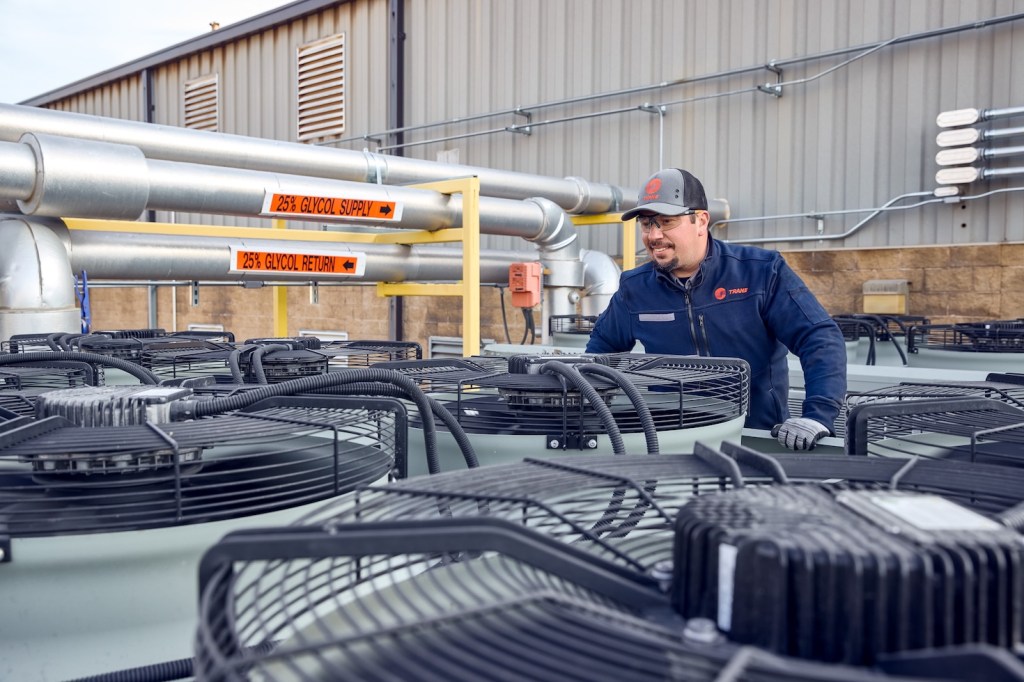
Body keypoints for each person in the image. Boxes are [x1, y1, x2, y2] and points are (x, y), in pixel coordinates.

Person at [585, 168, 847, 450]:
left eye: (667, 222)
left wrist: (818, 415)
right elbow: (602, 349)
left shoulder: (760, 273)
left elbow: (819, 338)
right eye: (647, 224)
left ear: (701, 221)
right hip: (671, 441)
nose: (654, 235)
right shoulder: (635, 288)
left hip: (753, 440)